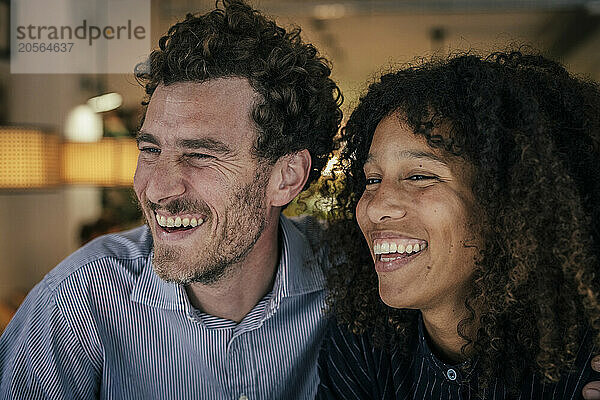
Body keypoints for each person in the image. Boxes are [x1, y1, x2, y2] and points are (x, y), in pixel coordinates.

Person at [0, 1, 342, 398]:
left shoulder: (355, 280)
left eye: (200, 155)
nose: (159, 190)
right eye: (150, 150)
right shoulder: (76, 302)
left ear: (287, 177)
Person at [317, 51, 600, 399]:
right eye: (372, 179)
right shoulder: (363, 342)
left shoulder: (587, 355)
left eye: (419, 176)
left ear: (507, 201)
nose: (375, 209)